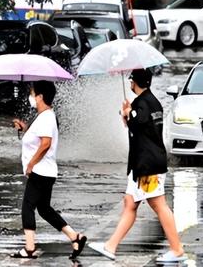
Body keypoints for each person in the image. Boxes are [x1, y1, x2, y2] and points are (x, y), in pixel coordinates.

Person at [89, 69, 186, 264]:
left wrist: (128, 113)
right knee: (130, 203)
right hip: (143, 165)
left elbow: (138, 120)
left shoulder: (144, 103)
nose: (130, 83)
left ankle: (176, 250)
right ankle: (111, 246)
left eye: (131, 80)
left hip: (148, 166)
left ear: (136, 82)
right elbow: (137, 126)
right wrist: (126, 113)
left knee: (159, 205)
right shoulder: (151, 101)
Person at [10, 81, 87, 260]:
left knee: (27, 207)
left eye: (32, 94)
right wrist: (24, 129)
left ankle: (29, 248)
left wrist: (31, 164)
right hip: (46, 172)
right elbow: (39, 138)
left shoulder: (46, 117)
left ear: (40, 96)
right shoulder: (45, 116)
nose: (31, 98)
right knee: (44, 209)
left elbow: (46, 144)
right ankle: (75, 237)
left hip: (40, 172)